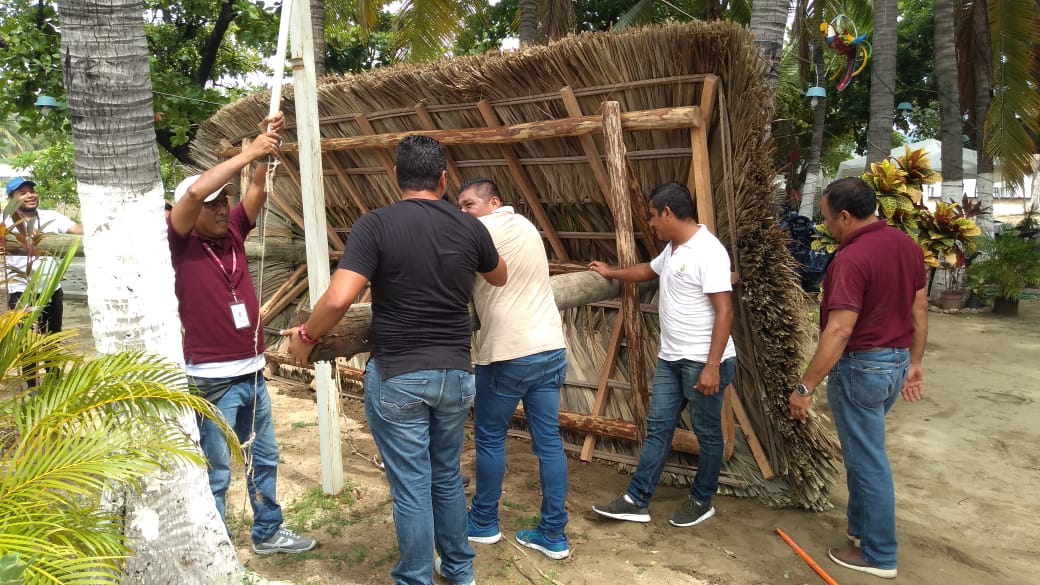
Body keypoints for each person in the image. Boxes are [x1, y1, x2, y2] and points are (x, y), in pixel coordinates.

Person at [285, 136, 507, 585]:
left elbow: (341, 296)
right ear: (443, 180)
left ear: (395, 177)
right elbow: (499, 275)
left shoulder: (377, 224)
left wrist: (308, 335)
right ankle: (461, 570)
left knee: (411, 486)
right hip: (456, 375)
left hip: (401, 374)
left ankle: (415, 578)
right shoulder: (470, 226)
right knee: (445, 478)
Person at [167, 111, 315, 556]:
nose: (218, 209)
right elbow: (194, 190)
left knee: (263, 457)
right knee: (216, 469)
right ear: (190, 212)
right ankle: (217, 551)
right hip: (212, 378)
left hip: (251, 372)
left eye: (221, 201)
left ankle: (268, 532)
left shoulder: (232, 230)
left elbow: (254, 189)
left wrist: (265, 147)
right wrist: (248, 152)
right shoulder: (178, 240)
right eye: (210, 204)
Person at [789, 177, 928, 580]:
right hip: (895, 362)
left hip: (862, 368)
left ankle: (879, 554)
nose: (827, 227)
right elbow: (920, 309)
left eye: (829, 219)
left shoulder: (851, 259)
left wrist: (805, 387)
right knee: (863, 452)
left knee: (868, 462)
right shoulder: (906, 245)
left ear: (846, 216)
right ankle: (861, 529)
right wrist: (914, 362)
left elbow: (838, 331)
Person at [590, 181, 737, 528]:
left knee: (708, 434)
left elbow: (725, 312)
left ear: (668, 213)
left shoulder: (708, 251)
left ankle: (702, 500)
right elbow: (648, 271)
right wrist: (613, 273)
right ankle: (636, 500)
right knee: (658, 429)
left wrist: (712, 366)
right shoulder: (673, 248)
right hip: (671, 360)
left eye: (654, 217)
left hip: (703, 362)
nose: (652, 224)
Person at [457, 179, 570, 560]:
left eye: (469, 204)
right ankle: (554, 533)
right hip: (551, 347)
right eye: (459, 206)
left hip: (508, 352)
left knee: (490, 438)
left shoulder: (477, 230)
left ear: (493, 201)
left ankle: (484, 521)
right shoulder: (525, 226)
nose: (463, 212)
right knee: (549, 443)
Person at [3, 177, 84, 332]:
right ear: (11, 199)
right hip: (21, 291)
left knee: (52, 340)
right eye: (22, 193)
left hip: (52, 291)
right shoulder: (4, 221)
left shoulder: (51, 216)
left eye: (32, 191)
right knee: (25, 343)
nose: (30, 195)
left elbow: (76, 230)